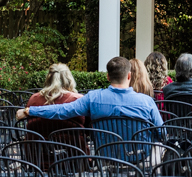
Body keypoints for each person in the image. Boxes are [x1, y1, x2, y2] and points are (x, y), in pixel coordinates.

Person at [17, 57, 163, 127]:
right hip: (140, 160)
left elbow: (61, 110)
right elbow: (162, 133)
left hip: (105, 160)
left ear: (107, 76)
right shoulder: (147, 101)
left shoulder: (92, 98)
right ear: (129, 76)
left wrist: (30, 111)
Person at [25, 64, 85, 145]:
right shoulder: (78, 100)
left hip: (37, 151)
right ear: (69, 78)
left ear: (48, 78)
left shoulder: (34, 99)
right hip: (73, 151)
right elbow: (88, 127)